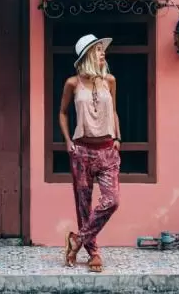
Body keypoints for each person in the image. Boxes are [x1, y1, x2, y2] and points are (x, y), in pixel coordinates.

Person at [59, 33, 121, 273]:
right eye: (97, 50)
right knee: (83, 206)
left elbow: (113, 111)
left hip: (107, 150)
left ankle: (77, 239)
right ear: (86, 56)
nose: (102, 52)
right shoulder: (72, 83)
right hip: (82, 151)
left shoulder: (110, 81)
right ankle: (93, 252)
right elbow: (62, 113)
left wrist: (117, 137)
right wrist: (67, 140)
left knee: (112, 201)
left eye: (102, 49)